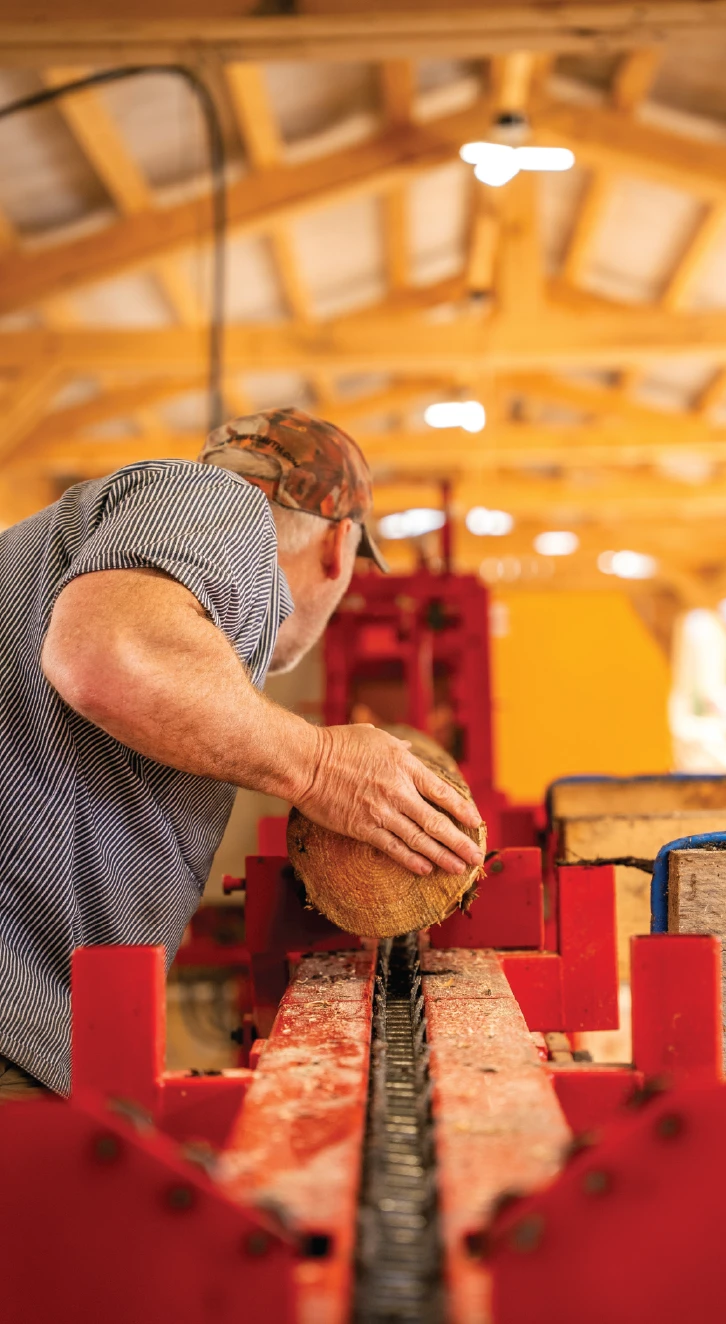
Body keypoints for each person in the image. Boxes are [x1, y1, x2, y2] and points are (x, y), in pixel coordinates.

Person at [0, 407, 483, 1101]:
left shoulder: (41, 548)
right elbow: (104, 653)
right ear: (338, 548)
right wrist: (322, 767)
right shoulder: (219, 504)